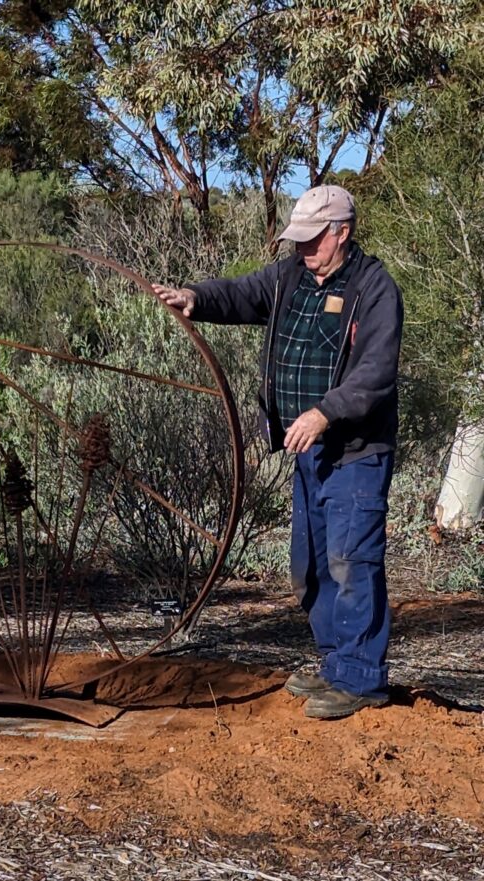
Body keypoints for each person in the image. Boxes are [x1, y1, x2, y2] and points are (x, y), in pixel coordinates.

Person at [154, 185, 403, 720]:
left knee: (350, 560)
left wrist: (323, 412)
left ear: (343, 232)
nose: (304, 250)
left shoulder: (374, 288)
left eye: (313, 240)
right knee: (309, 566)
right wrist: (195, 297)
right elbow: (245, 293)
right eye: (298, 241)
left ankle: (361, 678)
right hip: (309, 451)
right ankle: (337, 664)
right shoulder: (291, 275)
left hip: (355, 451)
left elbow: (375, 375)